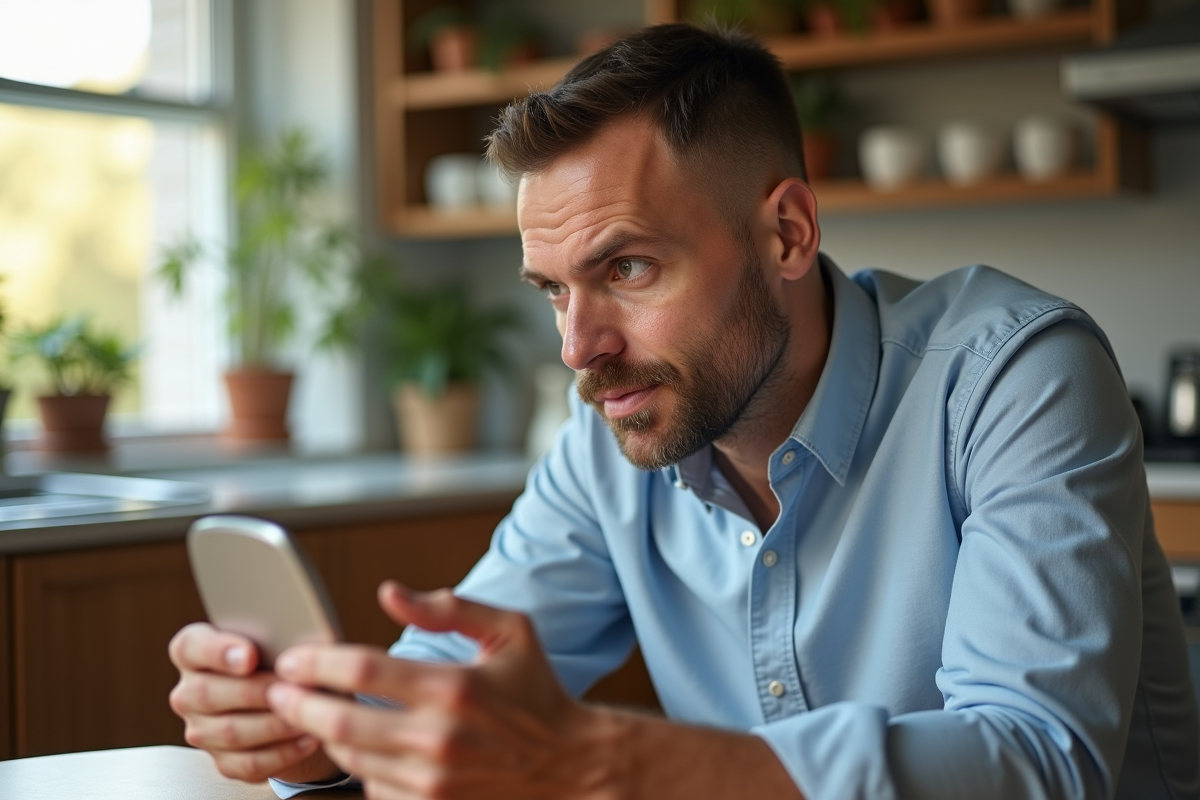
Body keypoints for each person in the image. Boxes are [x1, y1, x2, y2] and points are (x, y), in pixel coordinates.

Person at [168, 23, 1199, 800]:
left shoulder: (1015, 373)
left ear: (787, 233)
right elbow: (460, 678)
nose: (579, 346)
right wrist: (330, 722)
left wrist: (605, 757)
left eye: (627, 266)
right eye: (554, 289)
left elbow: (1035, 757)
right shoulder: (613, 435)